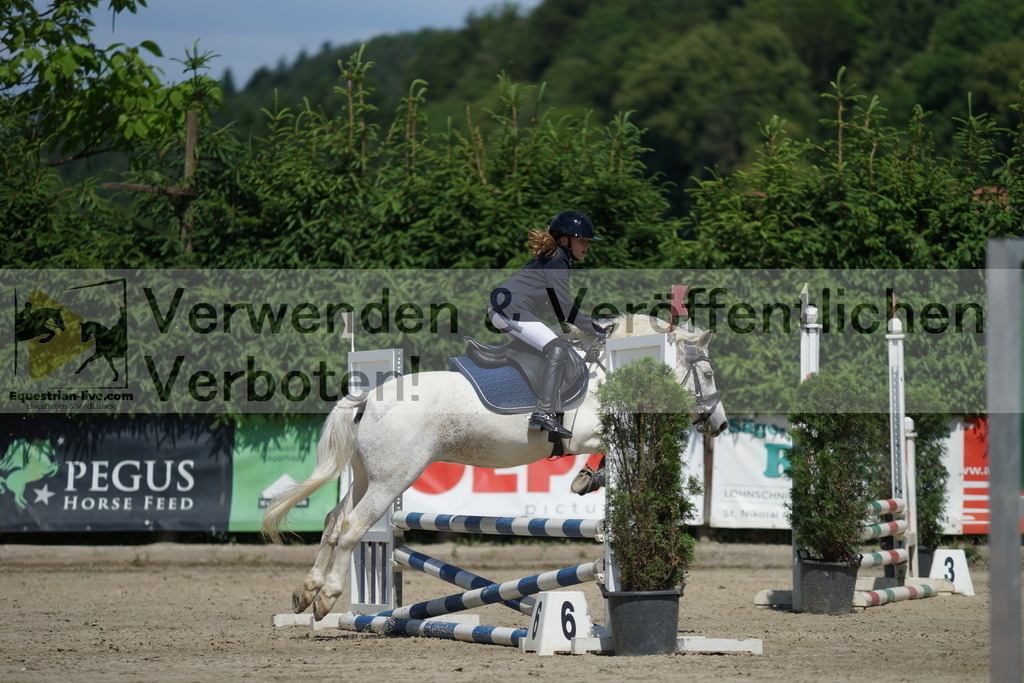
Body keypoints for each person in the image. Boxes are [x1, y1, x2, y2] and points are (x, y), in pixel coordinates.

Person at [487, 210, 608, 438]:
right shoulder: (558, 260)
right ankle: (544, 413)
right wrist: (595, 329)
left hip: (506, 308)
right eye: (582, 240)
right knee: (557, 348)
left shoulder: (555, 259)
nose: (586, 245)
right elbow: (564, 305)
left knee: (549, 347)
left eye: (587, 241)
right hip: (510, 310)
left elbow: (556, 307)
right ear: (564, 240)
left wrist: (584, 324)